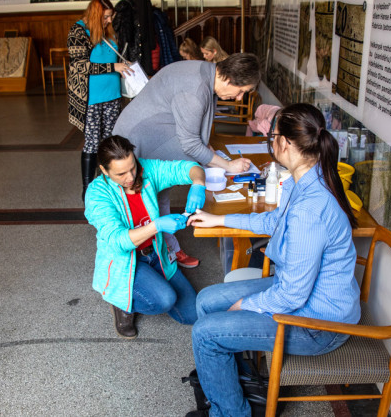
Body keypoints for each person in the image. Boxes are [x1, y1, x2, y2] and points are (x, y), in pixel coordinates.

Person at [186, 103, 360, 417]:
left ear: (288, 144)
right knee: (206, 300)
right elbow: (273, 223)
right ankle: (239, 385)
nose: (271, 141)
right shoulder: (303, 179)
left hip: (318, 324)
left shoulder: (310, 209)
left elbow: (293, 295)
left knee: (205, 332)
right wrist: (218, 221)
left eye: (274, 136)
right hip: (299, 294)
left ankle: (230, 413)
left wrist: (247, 305)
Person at [112, 53, 260, 269]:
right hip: (138, 139)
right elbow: (190, 144)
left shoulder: (206, 72)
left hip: (153, 130)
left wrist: (208, 152)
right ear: (230, 79)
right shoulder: (195, 91)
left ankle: (167, 248)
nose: (239, 98)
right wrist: (228, 166)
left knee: (159, 194)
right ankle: (145, 259)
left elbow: (192, 130)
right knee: (142, 199)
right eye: (241, 92)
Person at [84, 135, 207, 338]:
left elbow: (187, 168)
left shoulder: (145, 169)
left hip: (156, 253)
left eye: (132, 167)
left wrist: (198, 183)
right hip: (126, 261)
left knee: (192, 315)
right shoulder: (97, 194)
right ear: (104, 171)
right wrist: (156, 226)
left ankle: (152, 281)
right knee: (165, 299)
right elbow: (118, 241)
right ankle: (121, 303)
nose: (130, 177)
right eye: (121, 174)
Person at [67, 0, 133, 201]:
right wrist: (114, 67)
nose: (109, 21)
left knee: (109, 142)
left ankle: (107, 183)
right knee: (92, 143)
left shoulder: (107, 32)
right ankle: (87, 189)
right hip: (92, 99)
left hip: (112, 96)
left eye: (110, 17)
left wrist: (124, 65)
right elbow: (80, 66)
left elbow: (113, 58)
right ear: (95, 14)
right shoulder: (78, 31)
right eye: (105, 17)